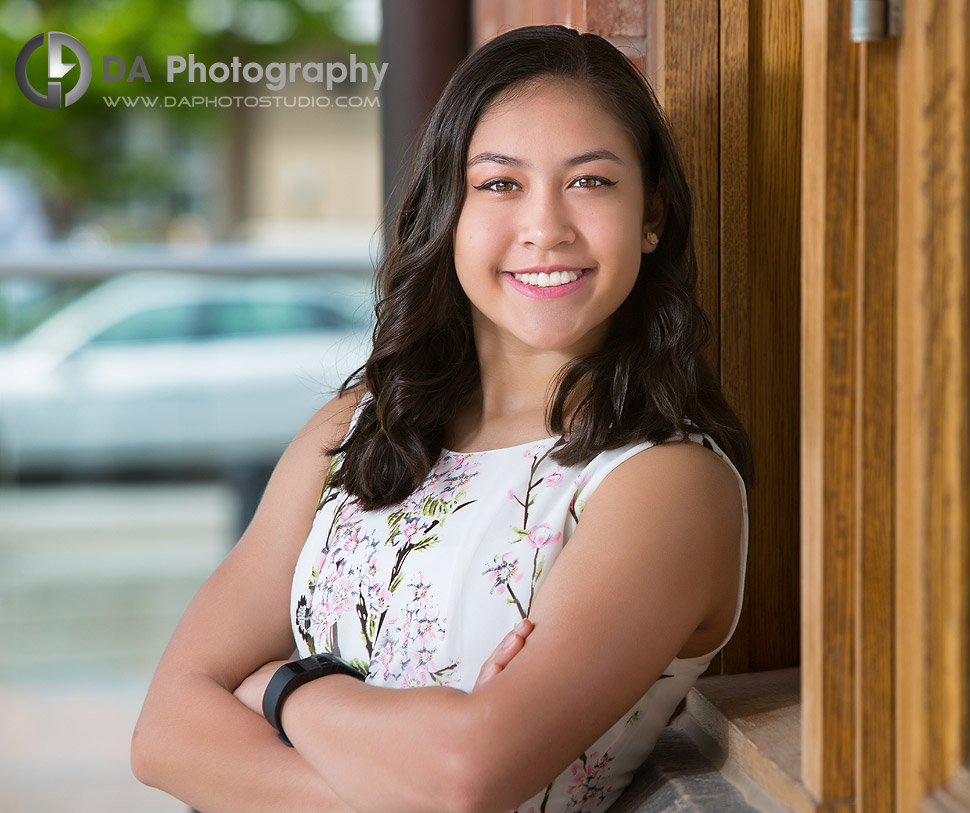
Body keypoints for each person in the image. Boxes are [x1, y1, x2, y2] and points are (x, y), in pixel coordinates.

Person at [131, 25, 752, 813]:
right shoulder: (355, 429)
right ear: (448, 210)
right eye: (500, 184)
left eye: (590, 182)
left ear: (652, 213)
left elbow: (464, 776)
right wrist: (401, 763)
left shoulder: (667, 484)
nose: (546, 227)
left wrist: (283, 688)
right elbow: (162, 733)